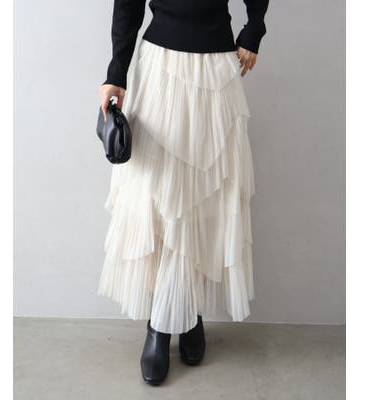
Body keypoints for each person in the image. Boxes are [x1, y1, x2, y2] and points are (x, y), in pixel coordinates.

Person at [98, 0, 269, 385]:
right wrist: (116, 73)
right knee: (163, 198)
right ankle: (165, 323)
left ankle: (183, 311)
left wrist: (254, 28)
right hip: (160, 67)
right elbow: (127, 5)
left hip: (216, 69)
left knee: (205, 197)